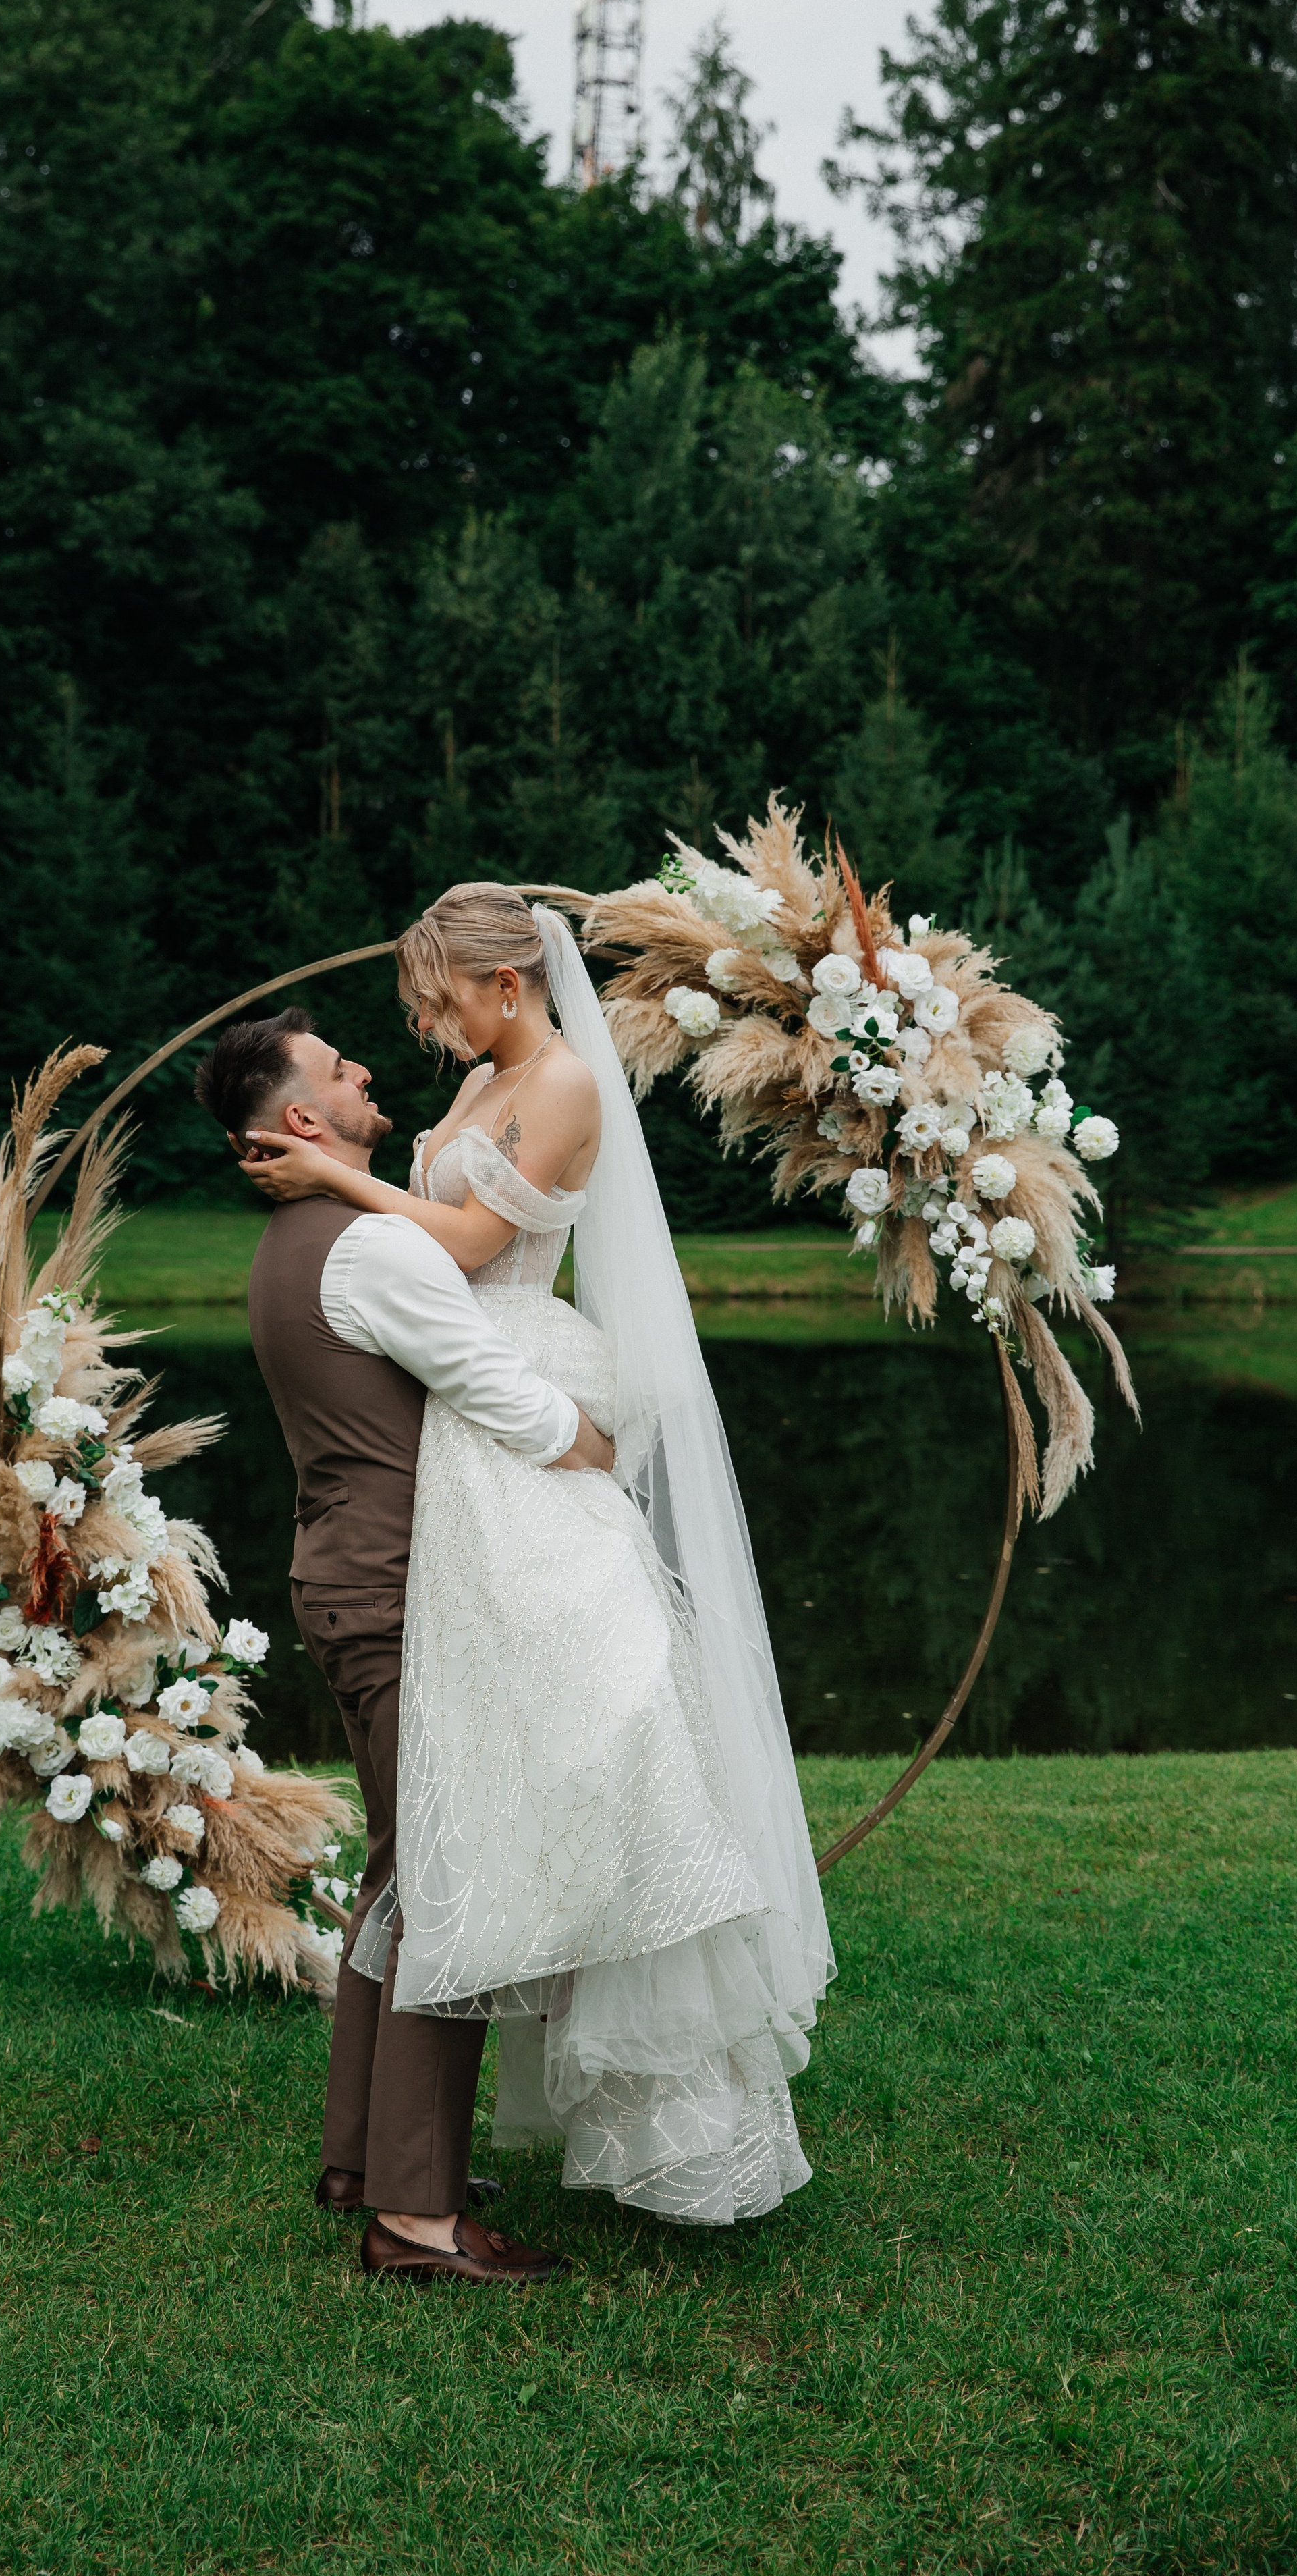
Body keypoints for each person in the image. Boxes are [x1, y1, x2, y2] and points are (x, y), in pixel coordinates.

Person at [236, 883, 835, 2228]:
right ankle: (397, 2171)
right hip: (467, 1428)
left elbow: (464, 1245)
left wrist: (332, 1175)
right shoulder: (486, 1078)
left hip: (504, 1396)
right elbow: (431, 1251)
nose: (424, 1029)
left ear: (508, 983)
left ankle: (630, 2127)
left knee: (587, 1762)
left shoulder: (559, 1079)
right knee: (453, 1828)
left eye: (437, 1000)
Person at [196, 1009, 613, 2285]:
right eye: (338, 1070)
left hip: (350, 1582)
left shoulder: (295, 1242)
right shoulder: (371, 1247)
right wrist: (590, 1443)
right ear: (305, 1122)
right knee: (450, 1882)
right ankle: (418, 2220)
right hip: (396, 1595)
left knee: (399, 1864)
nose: (367, 1068)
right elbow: (485, 1380)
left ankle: (363, 2160)